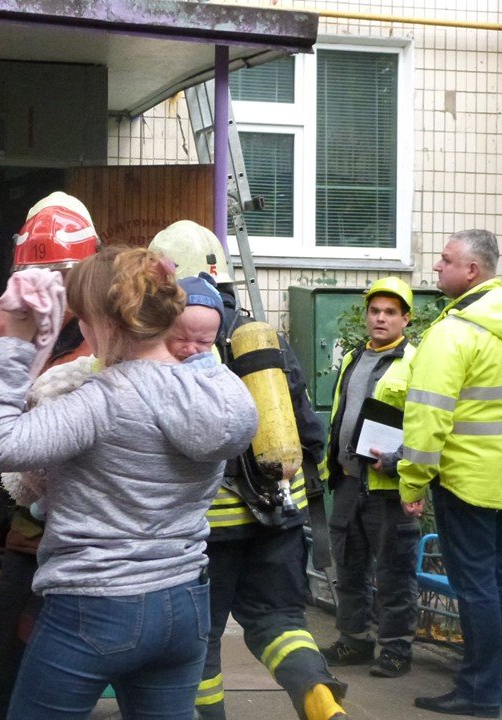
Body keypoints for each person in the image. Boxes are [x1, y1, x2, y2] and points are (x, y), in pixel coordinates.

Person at [0, 245, 258, 720]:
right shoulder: (223, 392)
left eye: (81, 316)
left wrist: (15, 345)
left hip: (94, 607)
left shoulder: (102, 401)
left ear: (102, 320)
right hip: (184, 601)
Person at [150, 221, 348, 720]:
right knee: (280, 621)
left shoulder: (166, 343)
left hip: (207, 528)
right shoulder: (265, 340)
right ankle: (319, 699)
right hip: (281, 510)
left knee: (204, 636)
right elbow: (309, 430)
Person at [399, 230, 502, 718]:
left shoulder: (454, 332)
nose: (436, 268)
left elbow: (427, 418)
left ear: (472, 271)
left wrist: (412, 482)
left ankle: (479, 691)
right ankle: (491, 684)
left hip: (464, 479)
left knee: (477, 587)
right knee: (496, 581)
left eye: (445, 260)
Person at [0, 191, 99, 720]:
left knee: (18, 672)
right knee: (1, 667)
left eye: (59, 278)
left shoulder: (100, 342)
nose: (48, 291)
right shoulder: (30, 328)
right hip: (30, 539)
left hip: (71, 547)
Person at [318, 277, 419, 678]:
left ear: (405, 319)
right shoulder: (353, 358)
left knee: (394, 572)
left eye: (390, 312)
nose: (380, 318)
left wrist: (399, 460)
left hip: (388, 488)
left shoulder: (417, 362)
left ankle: (396, 650)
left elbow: (428, 426)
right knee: (350, 569)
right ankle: (354, 641)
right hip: (348, 481)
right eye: (374, 311)